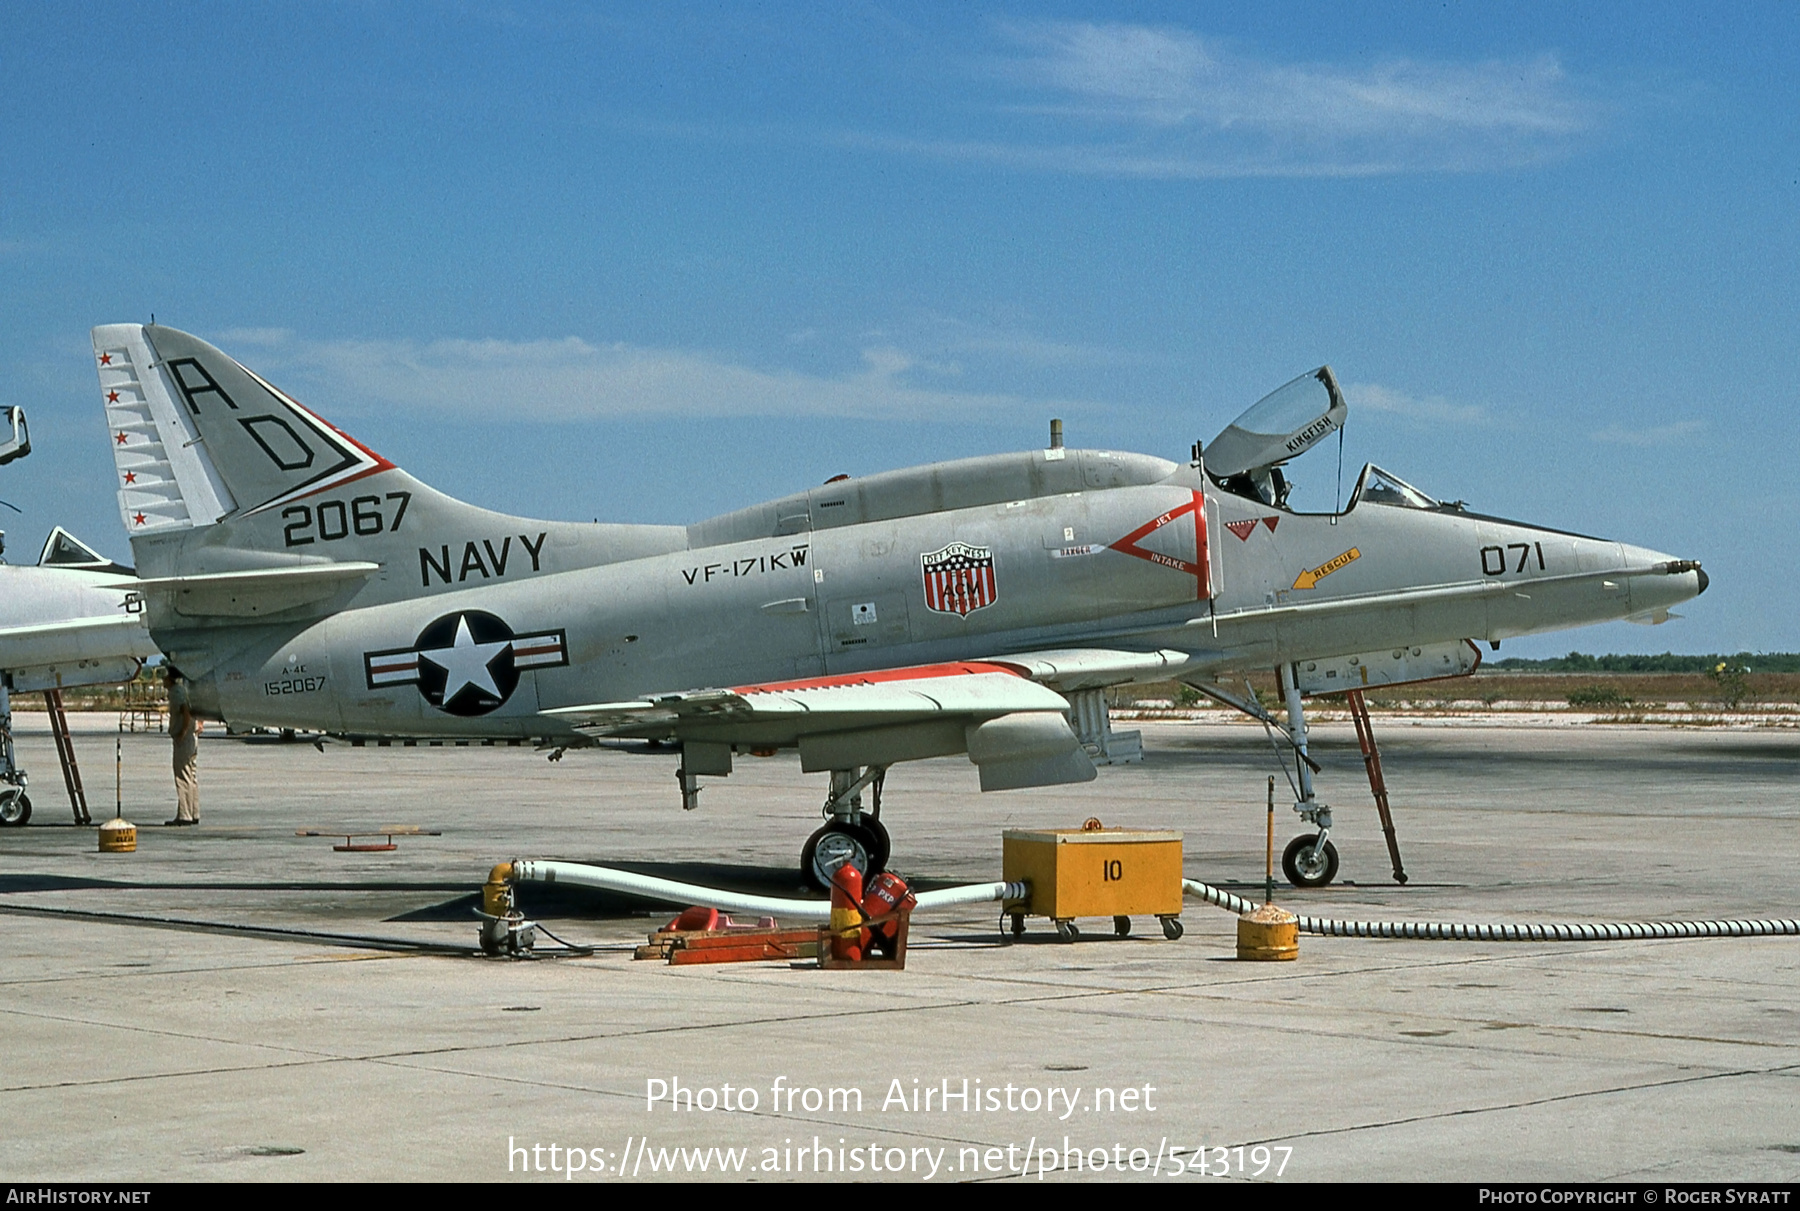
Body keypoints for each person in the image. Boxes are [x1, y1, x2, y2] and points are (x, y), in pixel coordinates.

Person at [165, 667, 200, 825]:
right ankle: (193, 811)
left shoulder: (176, 692)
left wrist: (182, 732)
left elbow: (185, 711)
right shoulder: (186, 689)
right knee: (191, 776)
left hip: (184, 738)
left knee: (182, 776)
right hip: (192, 737)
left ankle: (185, 815)